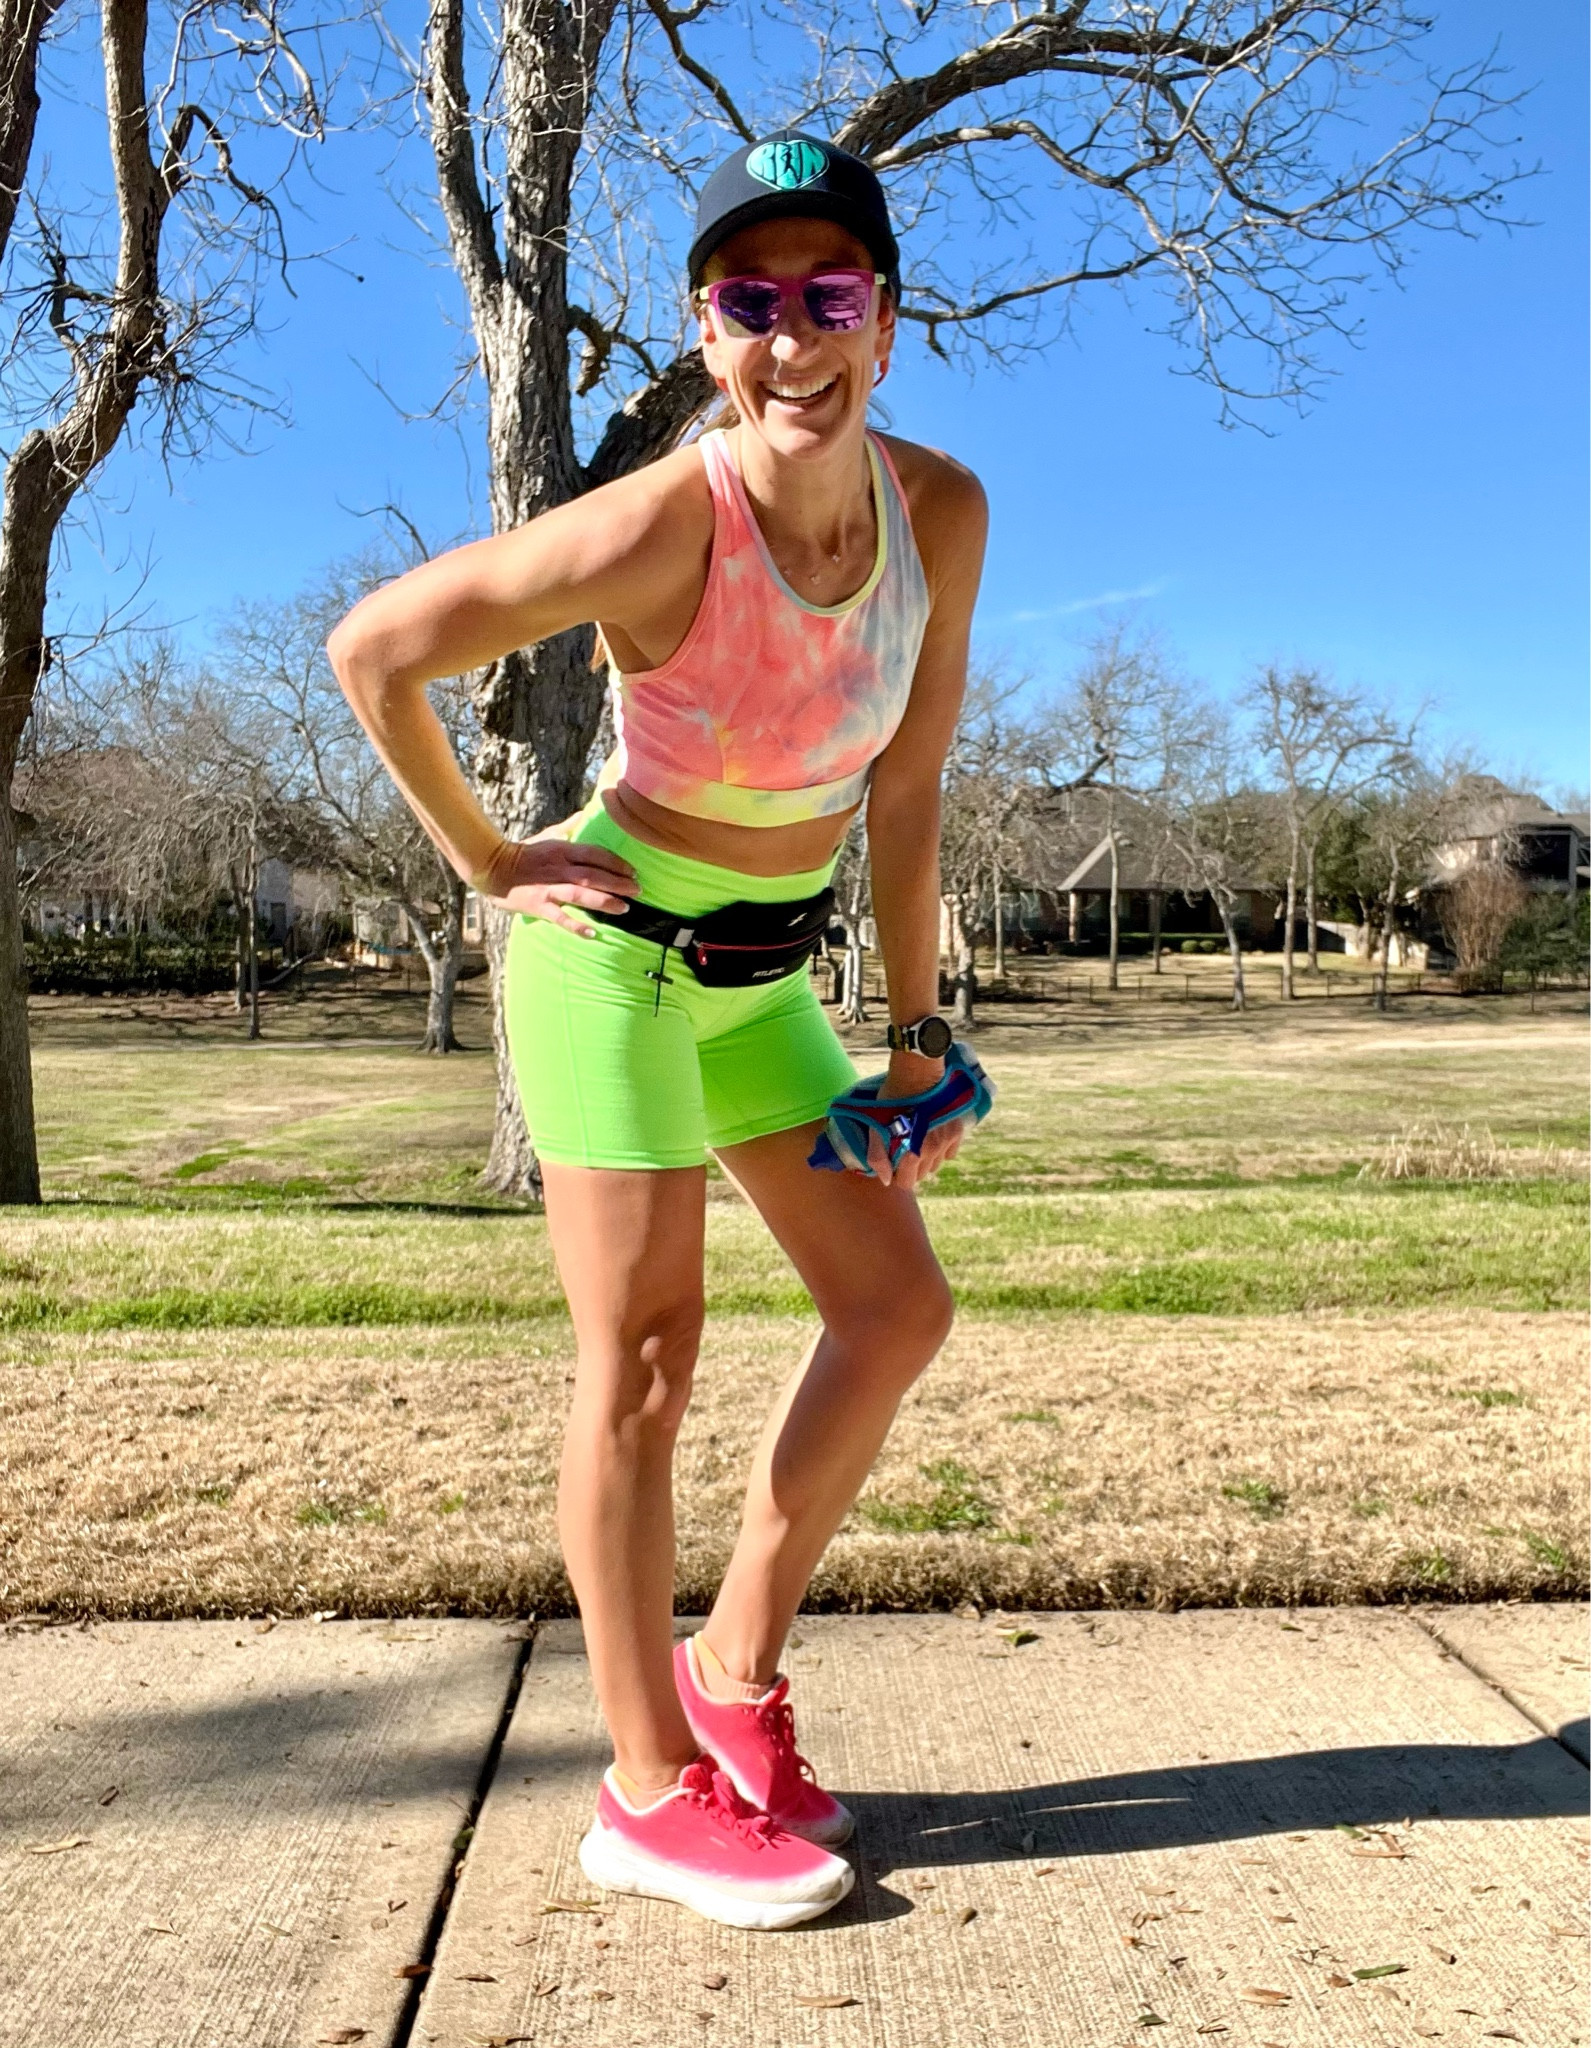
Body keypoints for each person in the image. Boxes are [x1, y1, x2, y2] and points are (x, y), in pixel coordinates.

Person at [328, 129, 988, 1931]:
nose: (793, 337)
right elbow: (378, 648)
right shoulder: (657, 523)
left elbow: (908, 788)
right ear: (707, 333)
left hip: (762, 982)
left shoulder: (941, 514)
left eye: (829, 295)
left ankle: (734, 1673)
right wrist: (489, 861)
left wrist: (916, 1031)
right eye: (750, 301)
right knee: (640, 1360)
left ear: (886, 320)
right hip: (610, 963)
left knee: (895, 1308)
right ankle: (641, 1788)